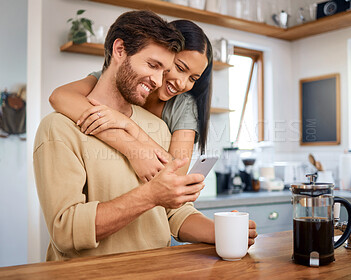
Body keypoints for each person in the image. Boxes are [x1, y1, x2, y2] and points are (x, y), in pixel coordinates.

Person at [34, 10, 257, 261]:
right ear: (119, 50)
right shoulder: (59, 129)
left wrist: (220, 231)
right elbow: (66, 232)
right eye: (153, 65)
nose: (158, 80)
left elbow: (173, 212)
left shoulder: (161, 128)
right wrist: (150, 194)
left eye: (164, 71)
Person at [49, 20, 213, 182]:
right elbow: (60, 97)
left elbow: (177, 173)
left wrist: (128, 125)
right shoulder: (123, 79)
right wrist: (131, 147)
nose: (182, 83)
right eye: (180, 68)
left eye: (193, 78)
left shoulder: (183, 106)